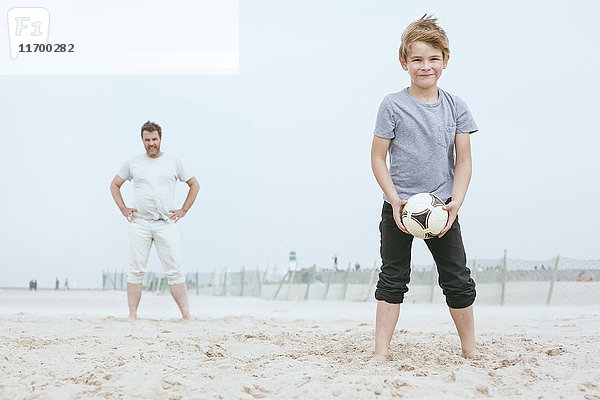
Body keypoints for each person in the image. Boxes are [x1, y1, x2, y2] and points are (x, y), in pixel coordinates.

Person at [370, 15, 478, 360]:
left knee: (458, 279)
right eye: (417, 59)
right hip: (400, 209)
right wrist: (394, 200)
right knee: (392, 278)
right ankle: (381, 352)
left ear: (445, 61)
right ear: (404, 62)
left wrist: (455, 204)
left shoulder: (456, 106)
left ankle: (469, 349)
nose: (425, 66)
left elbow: (463, 161)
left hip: (442, 208)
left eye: (433, 59)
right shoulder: (392, 105)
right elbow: (377, 158)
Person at [110, 121, 200, 320]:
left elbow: (194, 185)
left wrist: (184, 209)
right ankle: (132, 316)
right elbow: (114, 185)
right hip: (139, 222)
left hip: (166, 223)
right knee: (136, 269)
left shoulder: (175, 162)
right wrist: (123, 208)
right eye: (147, 140)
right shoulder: (133, 162)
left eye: (154, 139)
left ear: (160, 139)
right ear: (142, 140)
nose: (151, 143)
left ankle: (186, 316)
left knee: (175, 269)